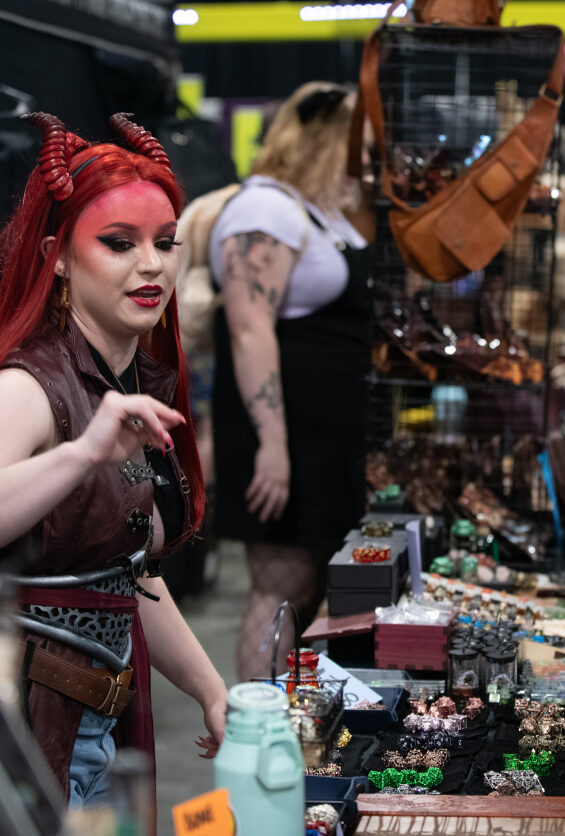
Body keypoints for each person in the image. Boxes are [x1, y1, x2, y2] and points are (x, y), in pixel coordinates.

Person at [0, 112, 228, 806]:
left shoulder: (124, 380)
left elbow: (124, 577)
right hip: (21, 735)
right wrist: (83, 453)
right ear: (57, 254)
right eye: (119, 244)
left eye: (165, 243)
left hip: (90, 722)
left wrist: (211, 687)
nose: (151, 264)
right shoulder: (26, 388)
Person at [209, 82, 370, 681]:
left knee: (307, 588)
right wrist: (272, 445)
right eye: (355, 149)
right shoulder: (264, 210)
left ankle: (289, 724)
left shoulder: (315, 212)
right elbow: (249, 330)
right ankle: (255, 730)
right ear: (322, 144)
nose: (364, 165)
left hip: (322, 439)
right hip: (285, 434)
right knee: (282, 588)